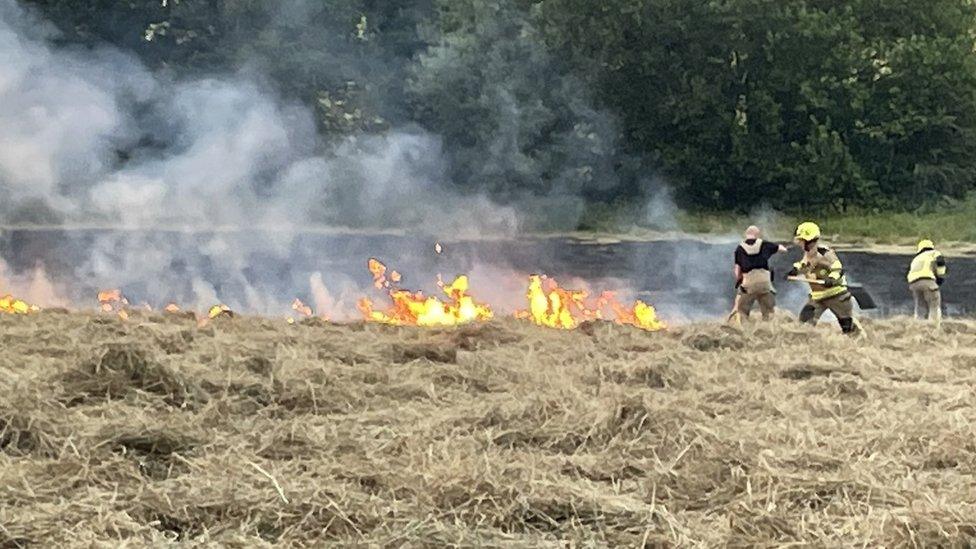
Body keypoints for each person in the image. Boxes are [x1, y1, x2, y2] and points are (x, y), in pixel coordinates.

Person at [787, 222, 858, 335]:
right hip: (818, 297)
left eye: (801, 240)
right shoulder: (808, 253)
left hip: (836, 295)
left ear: (809, 240)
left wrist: (831, 279)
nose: (799, 243)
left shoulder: (825, 253)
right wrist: (795, 270)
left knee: (847, 327)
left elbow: (837, 268)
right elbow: (805, 265)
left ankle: (856, 344)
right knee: (804, 322)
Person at [733, 225, 787, 320]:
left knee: (742, 310)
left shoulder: (739, 249)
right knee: (769, 312)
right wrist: (782, 248)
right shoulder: (764, 244)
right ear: (757, 234)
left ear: (746, 234)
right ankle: (767, 329)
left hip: (749, 284)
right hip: (765, 283)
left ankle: (744, 329)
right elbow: (782, 249)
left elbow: (737, 270)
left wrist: (739, 281)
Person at [907, 239, 947, 327]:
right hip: (928, 281)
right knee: (934, 306)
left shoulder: (916, 259)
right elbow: (940, 262)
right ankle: (934, 329)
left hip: (914, 284)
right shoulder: (934, 253)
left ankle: (918, 328)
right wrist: (940, 277)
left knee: (920, 307)